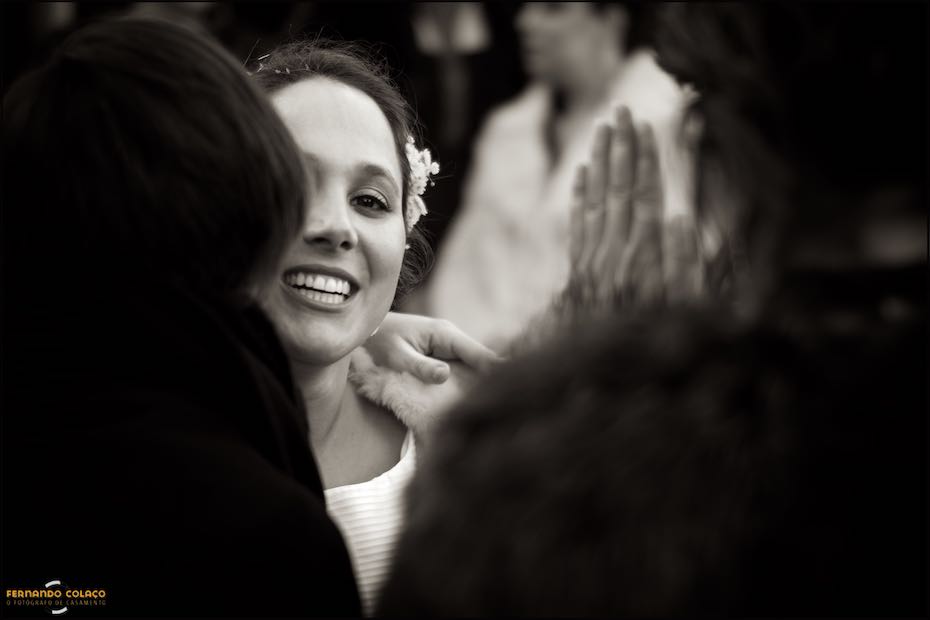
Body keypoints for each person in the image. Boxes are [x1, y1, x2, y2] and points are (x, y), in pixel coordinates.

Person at [378, 3, 926, 615]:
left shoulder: (547, 472)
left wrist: (600, 382)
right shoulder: (511, 128)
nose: (529, 19)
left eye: (695, 101)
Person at [2, 19, 495, 617]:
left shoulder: (476, 465)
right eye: (292, 183)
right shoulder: (109, 464)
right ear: (217, 208)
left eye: (370, 201)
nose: (336, 228)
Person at [421, 1, 692, 350]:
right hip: (475, 360)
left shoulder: (667, 121)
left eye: (553, 7)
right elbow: (466, 264)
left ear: (610, 19)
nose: (526, 20)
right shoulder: (507, 130)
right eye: (527, 6)